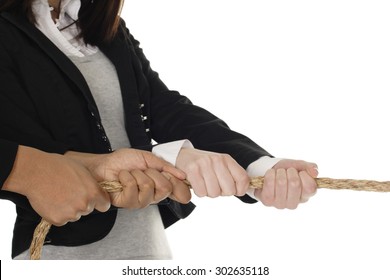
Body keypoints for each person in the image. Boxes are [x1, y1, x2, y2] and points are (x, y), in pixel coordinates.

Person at [0, 0, 318, 259]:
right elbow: (35, 152)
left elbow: (163, 106)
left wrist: (259, 166)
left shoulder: (102, 28)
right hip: (59, 253)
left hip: (147, 247)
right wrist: (170, 158)